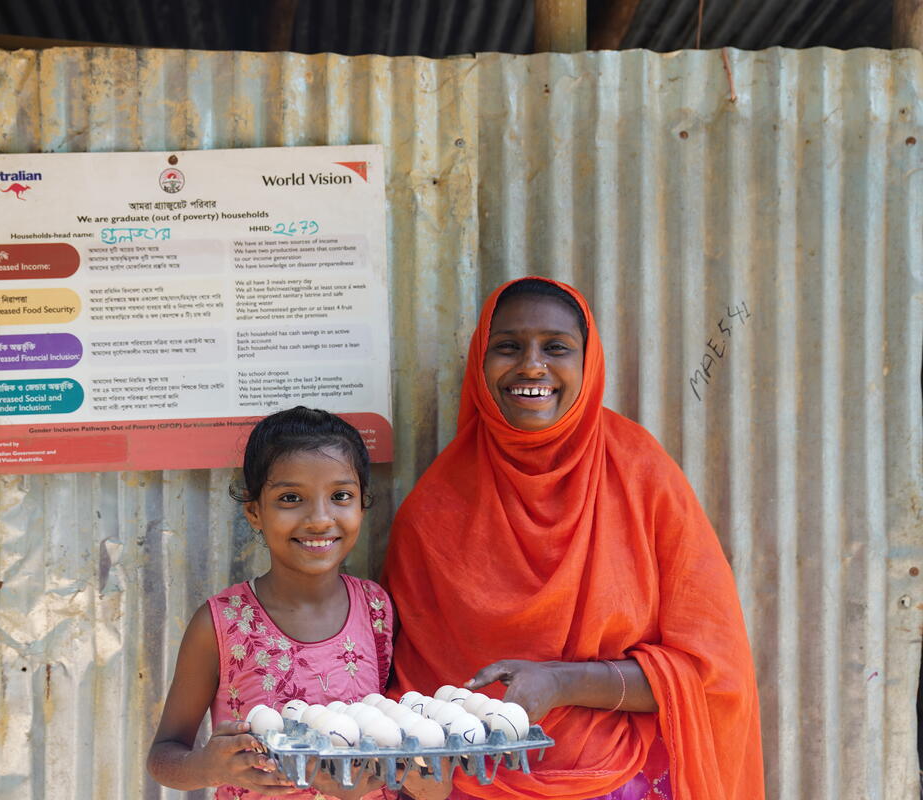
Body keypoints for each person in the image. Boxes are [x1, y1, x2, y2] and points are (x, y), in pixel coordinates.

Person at [381, 277, 764, 800]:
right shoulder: (432, 511)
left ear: (588, 362)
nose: (532, 366)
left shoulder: (639, 474)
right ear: (479, 361)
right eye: (508, 347)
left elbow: (706, 671)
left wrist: (562, 683)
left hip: (621, 777)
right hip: (478, 786)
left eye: (556, 347)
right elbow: (414, 701)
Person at [148, 406, 451, 800]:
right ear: (255, 512)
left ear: (363, 505)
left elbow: (400, 732)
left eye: (341, 496)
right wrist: (209, 765)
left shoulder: (377, 609)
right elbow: (164, 755)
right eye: (291, 498)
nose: (320, 519)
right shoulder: (221, 624)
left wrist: (414, 777)